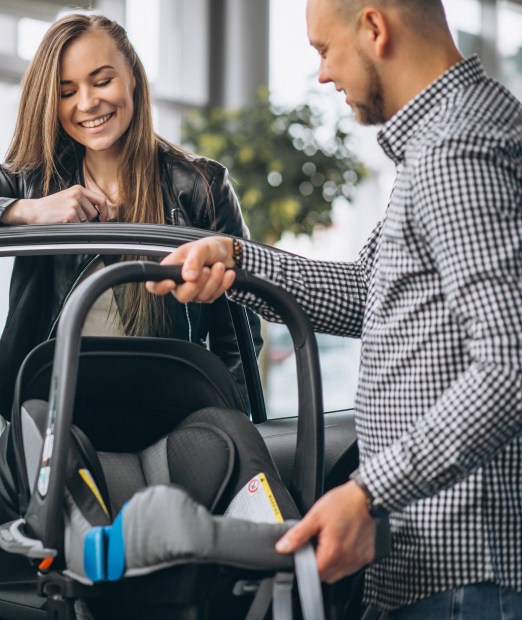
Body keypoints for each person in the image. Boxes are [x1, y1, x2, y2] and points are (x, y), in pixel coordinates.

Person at [149, 0, 522, 617]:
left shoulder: (456, 148)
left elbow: (510, 365)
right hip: (441, 565)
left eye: (324, 49)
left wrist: (370, 491)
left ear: (374, 28)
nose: (322, 74)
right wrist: (238, 263)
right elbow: (366, 293)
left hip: (467, 568)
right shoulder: (443, 140)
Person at [0, 13, 258, 415]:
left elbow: (237, 338)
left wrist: (228, 422)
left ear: (132, 76)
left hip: (171, 411)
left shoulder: (201, 185)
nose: (87, 103)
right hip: (55, 415)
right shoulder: (32, 182)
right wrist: (24, 211)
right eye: (66, 91)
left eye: (102, 81)